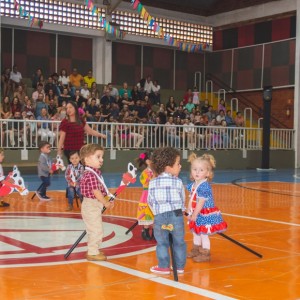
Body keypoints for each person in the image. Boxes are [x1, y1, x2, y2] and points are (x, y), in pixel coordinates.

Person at [148, 147, 186, 275]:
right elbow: (182, 199)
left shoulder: (152, 182)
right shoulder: (178, 182)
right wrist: (182, 209)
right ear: (168, 168)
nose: (180, 166)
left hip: (160, 216)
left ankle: (164, 266)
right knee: (179, 242)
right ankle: (180, 266)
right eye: (177, 164)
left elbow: (150, 201)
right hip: (176, 215)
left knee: (162, 243)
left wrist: (157, 212)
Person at [186, 153, 227, 262]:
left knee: (203, 234)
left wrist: (194, 214)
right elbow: (192, 198)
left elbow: (200, 202)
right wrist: (189, 210)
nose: (197, 172)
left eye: (201, 170)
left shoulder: (204, 186)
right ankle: (196, 249)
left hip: (204, 213)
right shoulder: (193, 184)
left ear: (208, 173)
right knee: (196, 231)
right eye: (194, 169)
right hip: (196, 212)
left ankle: (205, 253)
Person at [79, 144, 114, 261]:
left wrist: (107, 198)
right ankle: (93, 252)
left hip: (94, 203)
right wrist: (105, 202)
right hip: (91, 204)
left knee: (96, 228)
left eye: (102, 157)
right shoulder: (90, 174)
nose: (102, 159)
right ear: (87, 159)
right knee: (96, 230)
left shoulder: (94, 172)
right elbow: (96, 192)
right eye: (98, 157)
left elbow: (100, 189)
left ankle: (94, 248)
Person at [135, 152, 154, 240]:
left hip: (155, 195)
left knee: (155, 213)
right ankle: (145, 230)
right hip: (147, 195)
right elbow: (145, 182)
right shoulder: (145, 172)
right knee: (147, 213)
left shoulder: (157, 171)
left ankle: (155, 231)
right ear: (147, 161)